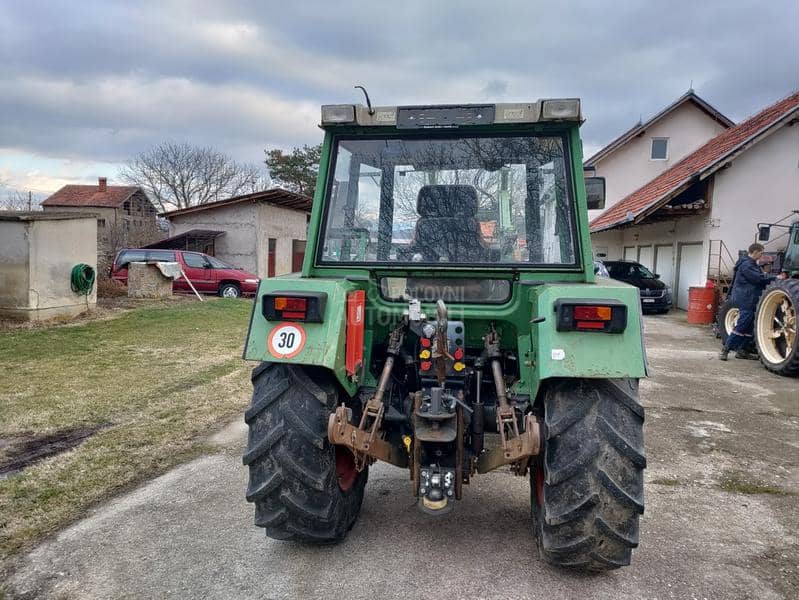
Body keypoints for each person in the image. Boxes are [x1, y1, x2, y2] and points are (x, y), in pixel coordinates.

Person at [719, 243, 787, 360]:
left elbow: (759, 276)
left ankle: (742, 351)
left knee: (750, 326)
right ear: (755, 252)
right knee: (743, 324)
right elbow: (757, 279)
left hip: (751, 297)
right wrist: (777, 278)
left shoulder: (751, 264)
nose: (762, 255)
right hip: (746, 298)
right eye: (761, 253)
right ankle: (725, 349)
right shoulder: (746, 265)